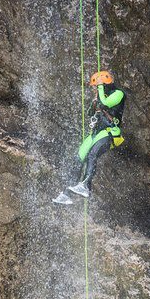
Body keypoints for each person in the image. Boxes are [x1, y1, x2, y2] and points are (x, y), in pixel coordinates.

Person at [53, 70, 126, 204]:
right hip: (95, 133)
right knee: (79, 158)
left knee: (92, 155)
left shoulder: (119, 93)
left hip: (109, 131)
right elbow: (90, 113)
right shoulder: (100, 96)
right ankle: (66, 194)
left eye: (96, 86)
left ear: (103, 84)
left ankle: (85, 186)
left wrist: (99, 88)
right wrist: (95, 100)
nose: (94, 89)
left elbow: (106, 104)